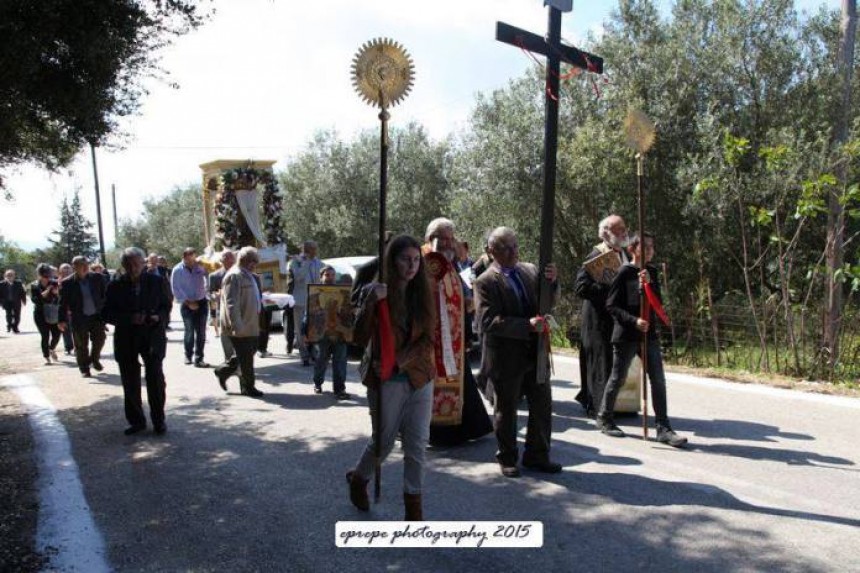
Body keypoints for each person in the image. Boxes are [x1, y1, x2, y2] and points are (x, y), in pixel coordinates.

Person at [346, 235, 436, 521]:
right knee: (383, 443)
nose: (411, 265)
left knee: (417, 445)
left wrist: (401, 360)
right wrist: (371, 303)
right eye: (404, 259)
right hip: (384, 379)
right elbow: (359, 338)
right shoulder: (374, 290)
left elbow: (427, 339)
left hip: (419, 377)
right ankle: (360, 478)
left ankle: (414, 511)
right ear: (391, 261)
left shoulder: (424, 291)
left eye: (416, 260)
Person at [474, 227, 562, 477]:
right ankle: (507, 457)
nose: (513, 252)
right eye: (505, 248)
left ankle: (538, 455)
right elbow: (487, 321)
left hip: (536, 352)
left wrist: (553, 282)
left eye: (515, 246)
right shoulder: (485, 281)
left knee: (542, 405)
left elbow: (549, 300)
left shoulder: (530, 270)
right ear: (491, 252)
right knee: (507, 409)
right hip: (505, 355)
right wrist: (526, 325)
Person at [597, 232, 688, 447]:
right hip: (627, 334)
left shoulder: (652, 272)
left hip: (649, 335)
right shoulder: (624, 272)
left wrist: (649, 284)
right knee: (618, 378)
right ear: (633, 249)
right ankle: (605, 417)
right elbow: (611, 305)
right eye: (645, 247)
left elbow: (657, 302)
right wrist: (633, 320)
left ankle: (663, 428)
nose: (649, 250)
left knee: (658, 379)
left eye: (652, 247)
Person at [422, 218, 492, 447]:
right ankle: (435, 431)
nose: (449, 242)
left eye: (451, 237)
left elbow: (459, 289)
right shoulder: (424, 259)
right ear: (431, 238)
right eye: (444, 237)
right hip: (431, 336)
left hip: (454, 336)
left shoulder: (449, 262)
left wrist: (468, 300)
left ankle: (461, 428)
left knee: (458, 379)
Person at [102, 248, 170, 435]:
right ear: (124, 266)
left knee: (155, 379)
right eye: (129, 264)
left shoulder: (157, 281)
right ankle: (136, 421)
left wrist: (158, 318)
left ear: (144, 263)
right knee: (130, 380)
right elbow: (106, 313)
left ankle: (158, 420)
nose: (133, 268)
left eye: (137, 263)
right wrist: (129, 318)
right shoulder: (114, 286)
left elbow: (166, 306)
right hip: (126, 338)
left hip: (152, 337)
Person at [574, 214, 631, 418]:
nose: (624, 232)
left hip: (618, 320)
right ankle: (598, 406)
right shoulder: (595, 255)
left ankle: (618, 405)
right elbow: (581, 288)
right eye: (619, 230)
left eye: (625, 228)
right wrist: (609, 288)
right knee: (600, 364)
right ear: (606, 233)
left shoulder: (625, 254)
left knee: (616, 364)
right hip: (598, 321)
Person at [214, 247, 264, 397]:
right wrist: (237, 325)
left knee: (249, 352)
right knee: (247, 358)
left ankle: (223, 371)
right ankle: (248, 387)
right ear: (243, 260)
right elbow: (231, 304)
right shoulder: (234, 276)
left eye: (256, 261)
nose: (254, 264)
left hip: (251, 322)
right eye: (252, 261)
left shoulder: (249, 275)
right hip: (239, 325)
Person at [58, 256, 107, 378]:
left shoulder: (97, 278)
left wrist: (107, 314)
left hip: (96, 316)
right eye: (81, 265)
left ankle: (94, 359)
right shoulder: (67, 283)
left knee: (100, 339)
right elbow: (62, 303)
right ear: (74, 267)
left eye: (86, 264)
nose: (85, 267)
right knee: (81, 345)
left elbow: (105, 296)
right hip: (79, 318)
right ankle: (84, 369)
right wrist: (61, 320)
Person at [312, 265, 350, 399]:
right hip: (322, 333)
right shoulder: (315, 293)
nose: (330, 278)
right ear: (321, 277)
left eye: (332, 275)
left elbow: (348, 312)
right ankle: (317, 382)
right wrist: (307, 331)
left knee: (340, 362)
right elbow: (310, 314)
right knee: (321, 360)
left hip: (339, 333)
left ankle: (339, 389)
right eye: (327, 275)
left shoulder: (342, 292)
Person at [287, 240, 324, 365]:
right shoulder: (295, 262)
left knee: (314, 327)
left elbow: (323, 277)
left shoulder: (318, 262)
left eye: (316, 248)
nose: (315, 251)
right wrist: (306, 262)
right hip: (300, 300)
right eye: (313, 249)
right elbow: (298, 277)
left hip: (315, 300)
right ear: (306, 250)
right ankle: (304, 355)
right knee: (300, 329)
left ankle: (313, 352)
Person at [171, 247, 209, 367]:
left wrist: (206, 269)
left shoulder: (200, 267)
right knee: (189, 331)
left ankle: (199, 358)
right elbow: (175, 289)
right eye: (189, 259)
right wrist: (188, 302)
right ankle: (188, 355)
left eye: (193, 259)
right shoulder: (177, 270)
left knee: (201, 332)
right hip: (187, 304)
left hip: (201, 302)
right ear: (184, 258)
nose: (191, 262)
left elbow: (209, 277)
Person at [208, 250, 236, 363]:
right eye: (226, 258)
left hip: (240, 309)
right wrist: (215, 295)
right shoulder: (214, 276)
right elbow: (210, 293)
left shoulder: (240, 274)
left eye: (231, 258)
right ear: (221, 261)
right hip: (224, 310)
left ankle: (240, 360)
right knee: (226, 336)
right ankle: (229, 360)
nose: (229, 260)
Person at [30, 264, 61, 364]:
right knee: (45, 335)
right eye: (44, 276)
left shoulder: (55, 283)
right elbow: (35, 300)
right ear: (39, 275)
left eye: (48, 276)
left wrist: (57, 294)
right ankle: (46, 356)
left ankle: (52, 349)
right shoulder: (34, 285)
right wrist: (46, 292)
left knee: (57, 334)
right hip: (40, 314)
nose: (47, 278)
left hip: (54, 313)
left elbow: (60, 299)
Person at [57, 263, 75, 355]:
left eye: (68, 268)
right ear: (60, 271)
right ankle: (68, 347)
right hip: (63, 308)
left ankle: (77, 346)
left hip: (74, 309)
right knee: (66, 329)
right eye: (64, 268)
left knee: (76, 329)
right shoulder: (57, 281)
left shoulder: (75, 280)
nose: (67, 270)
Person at [1, 269, 27, 333]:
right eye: (8, 275)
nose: (9, 277)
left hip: (16, 302)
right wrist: (1, 302)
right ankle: (9, 326)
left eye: (11, 275)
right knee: (8, 316)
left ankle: (15, 327)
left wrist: (24, 301)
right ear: (5, 276)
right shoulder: (1, 284)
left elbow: (22, 293)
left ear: (14, 276)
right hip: (7, 302)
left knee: (17, 316)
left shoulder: (18, 283)